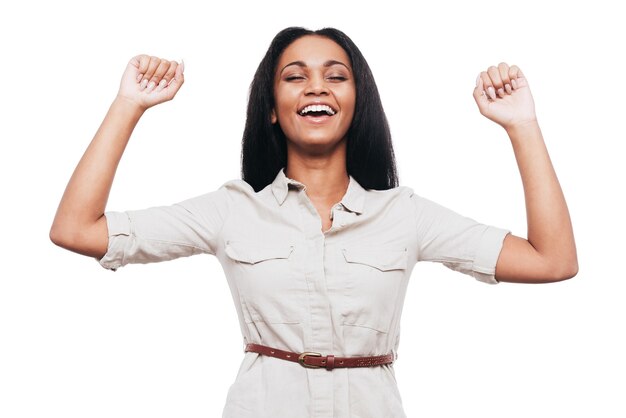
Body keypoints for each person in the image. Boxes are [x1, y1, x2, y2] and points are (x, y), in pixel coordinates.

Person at [50, 26, 578, 418]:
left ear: (356, 103)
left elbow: (551, 260)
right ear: (273, 109)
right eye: (294, 77)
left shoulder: (404, 215)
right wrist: (129, 104)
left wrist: (522, 125)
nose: (316, 87)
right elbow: (77, 229)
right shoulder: (233, 209)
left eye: (336, 76)